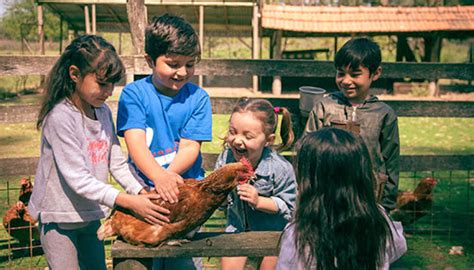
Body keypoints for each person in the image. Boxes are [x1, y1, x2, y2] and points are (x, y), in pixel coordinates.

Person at [28, 35, 169, 270]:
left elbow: (117, 163)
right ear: (75, 74)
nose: (109, 91)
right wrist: (129, 201)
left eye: (113, 84)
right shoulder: (60, 118)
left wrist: (142, 191)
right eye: (103, 83)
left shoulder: (101, 112)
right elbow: (78, 179)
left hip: (90, 215)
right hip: (59, 217)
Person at [116, 13, 211, 269]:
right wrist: (157, 178)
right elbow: (134, 142)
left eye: (190, 64)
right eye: (173, 64)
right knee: (142, 259)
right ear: (150, 60)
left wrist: (168, 177)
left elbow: (191, 145)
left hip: (185, 196)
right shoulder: (134, 94)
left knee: (182, 260)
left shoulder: (198, 98)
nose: (182, 72)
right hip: (144, 194)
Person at [277, 128, 407, 270]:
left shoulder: (300, 232)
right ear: (362, 174)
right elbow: (399, 247)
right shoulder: (378, 218)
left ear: (309, 180)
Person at [305, 37, 400, 212]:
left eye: (355, 74)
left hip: (369, 198)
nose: (346, 80)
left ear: (376, 73)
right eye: (341, 73)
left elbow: (391, 161)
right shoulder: (324, 107)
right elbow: (308, 152)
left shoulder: (384, 114)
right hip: (326, 196)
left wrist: (386, 204)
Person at [215, 98, 297, 270]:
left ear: (269, 139)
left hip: (273, 234)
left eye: (248, 136)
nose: (237, 140)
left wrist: (259, 201)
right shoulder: (225, 160)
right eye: (233, 132)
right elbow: (220, 202)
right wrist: (219, 197)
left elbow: (289, 206)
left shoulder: (280, 168)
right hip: (236, 228)